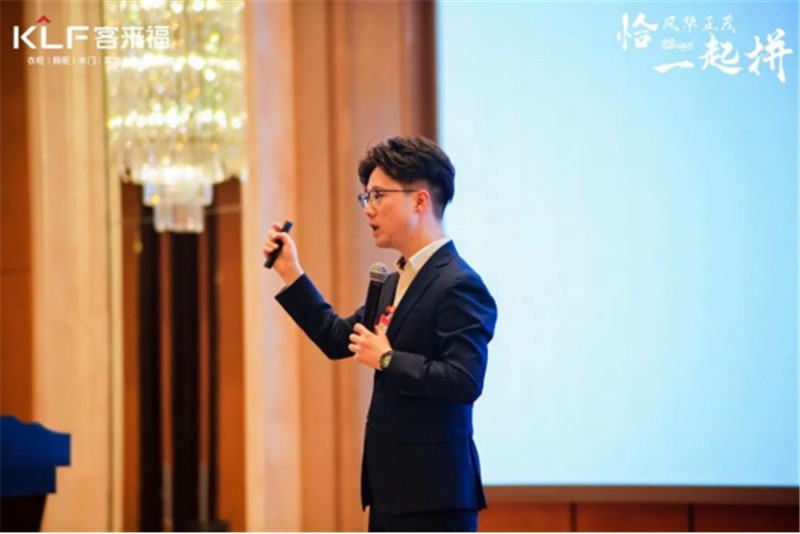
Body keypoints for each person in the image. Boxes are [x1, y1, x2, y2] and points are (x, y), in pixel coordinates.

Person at [262, 136, 497, 532]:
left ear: (420, 201)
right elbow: (337, 338)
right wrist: (290, 271)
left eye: (377, 196)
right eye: (365, 197)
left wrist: (388, 359)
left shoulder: (459, 284)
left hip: (435, 498)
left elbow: (464, 380)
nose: (367, 209)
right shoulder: (393, 282)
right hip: (390, 492)